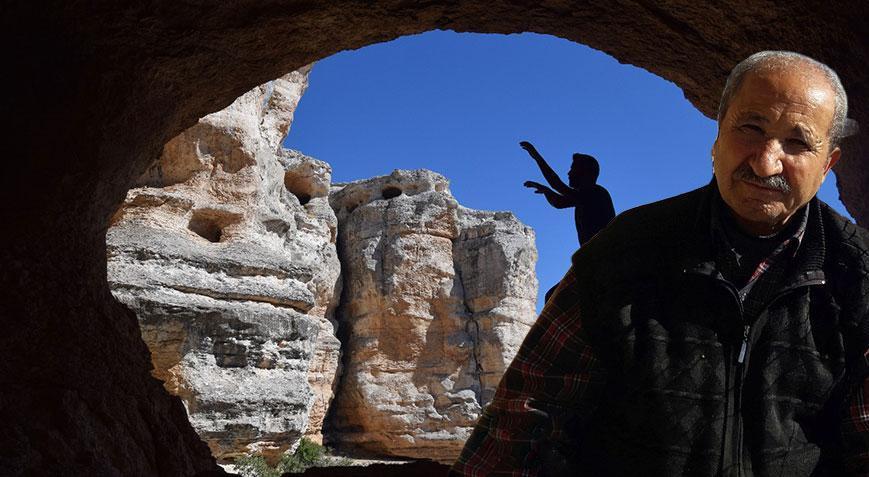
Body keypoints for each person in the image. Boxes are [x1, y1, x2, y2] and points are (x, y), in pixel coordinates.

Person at [451, 51, 869, 476]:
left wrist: (538, 163)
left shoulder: (860, 274)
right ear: (718, 136)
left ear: (827, 165)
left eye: (797, 142)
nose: (765, 162)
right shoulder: (621, 256)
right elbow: (527, 424)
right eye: (750, 128)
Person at [521, 142, 616, 247]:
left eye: (573, 169)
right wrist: (546, 190)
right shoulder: (585, 196)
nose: (569, 173)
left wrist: (537, 157)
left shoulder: (596, 192)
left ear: (584, 173)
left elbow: (558, 186)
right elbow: (559, 202)